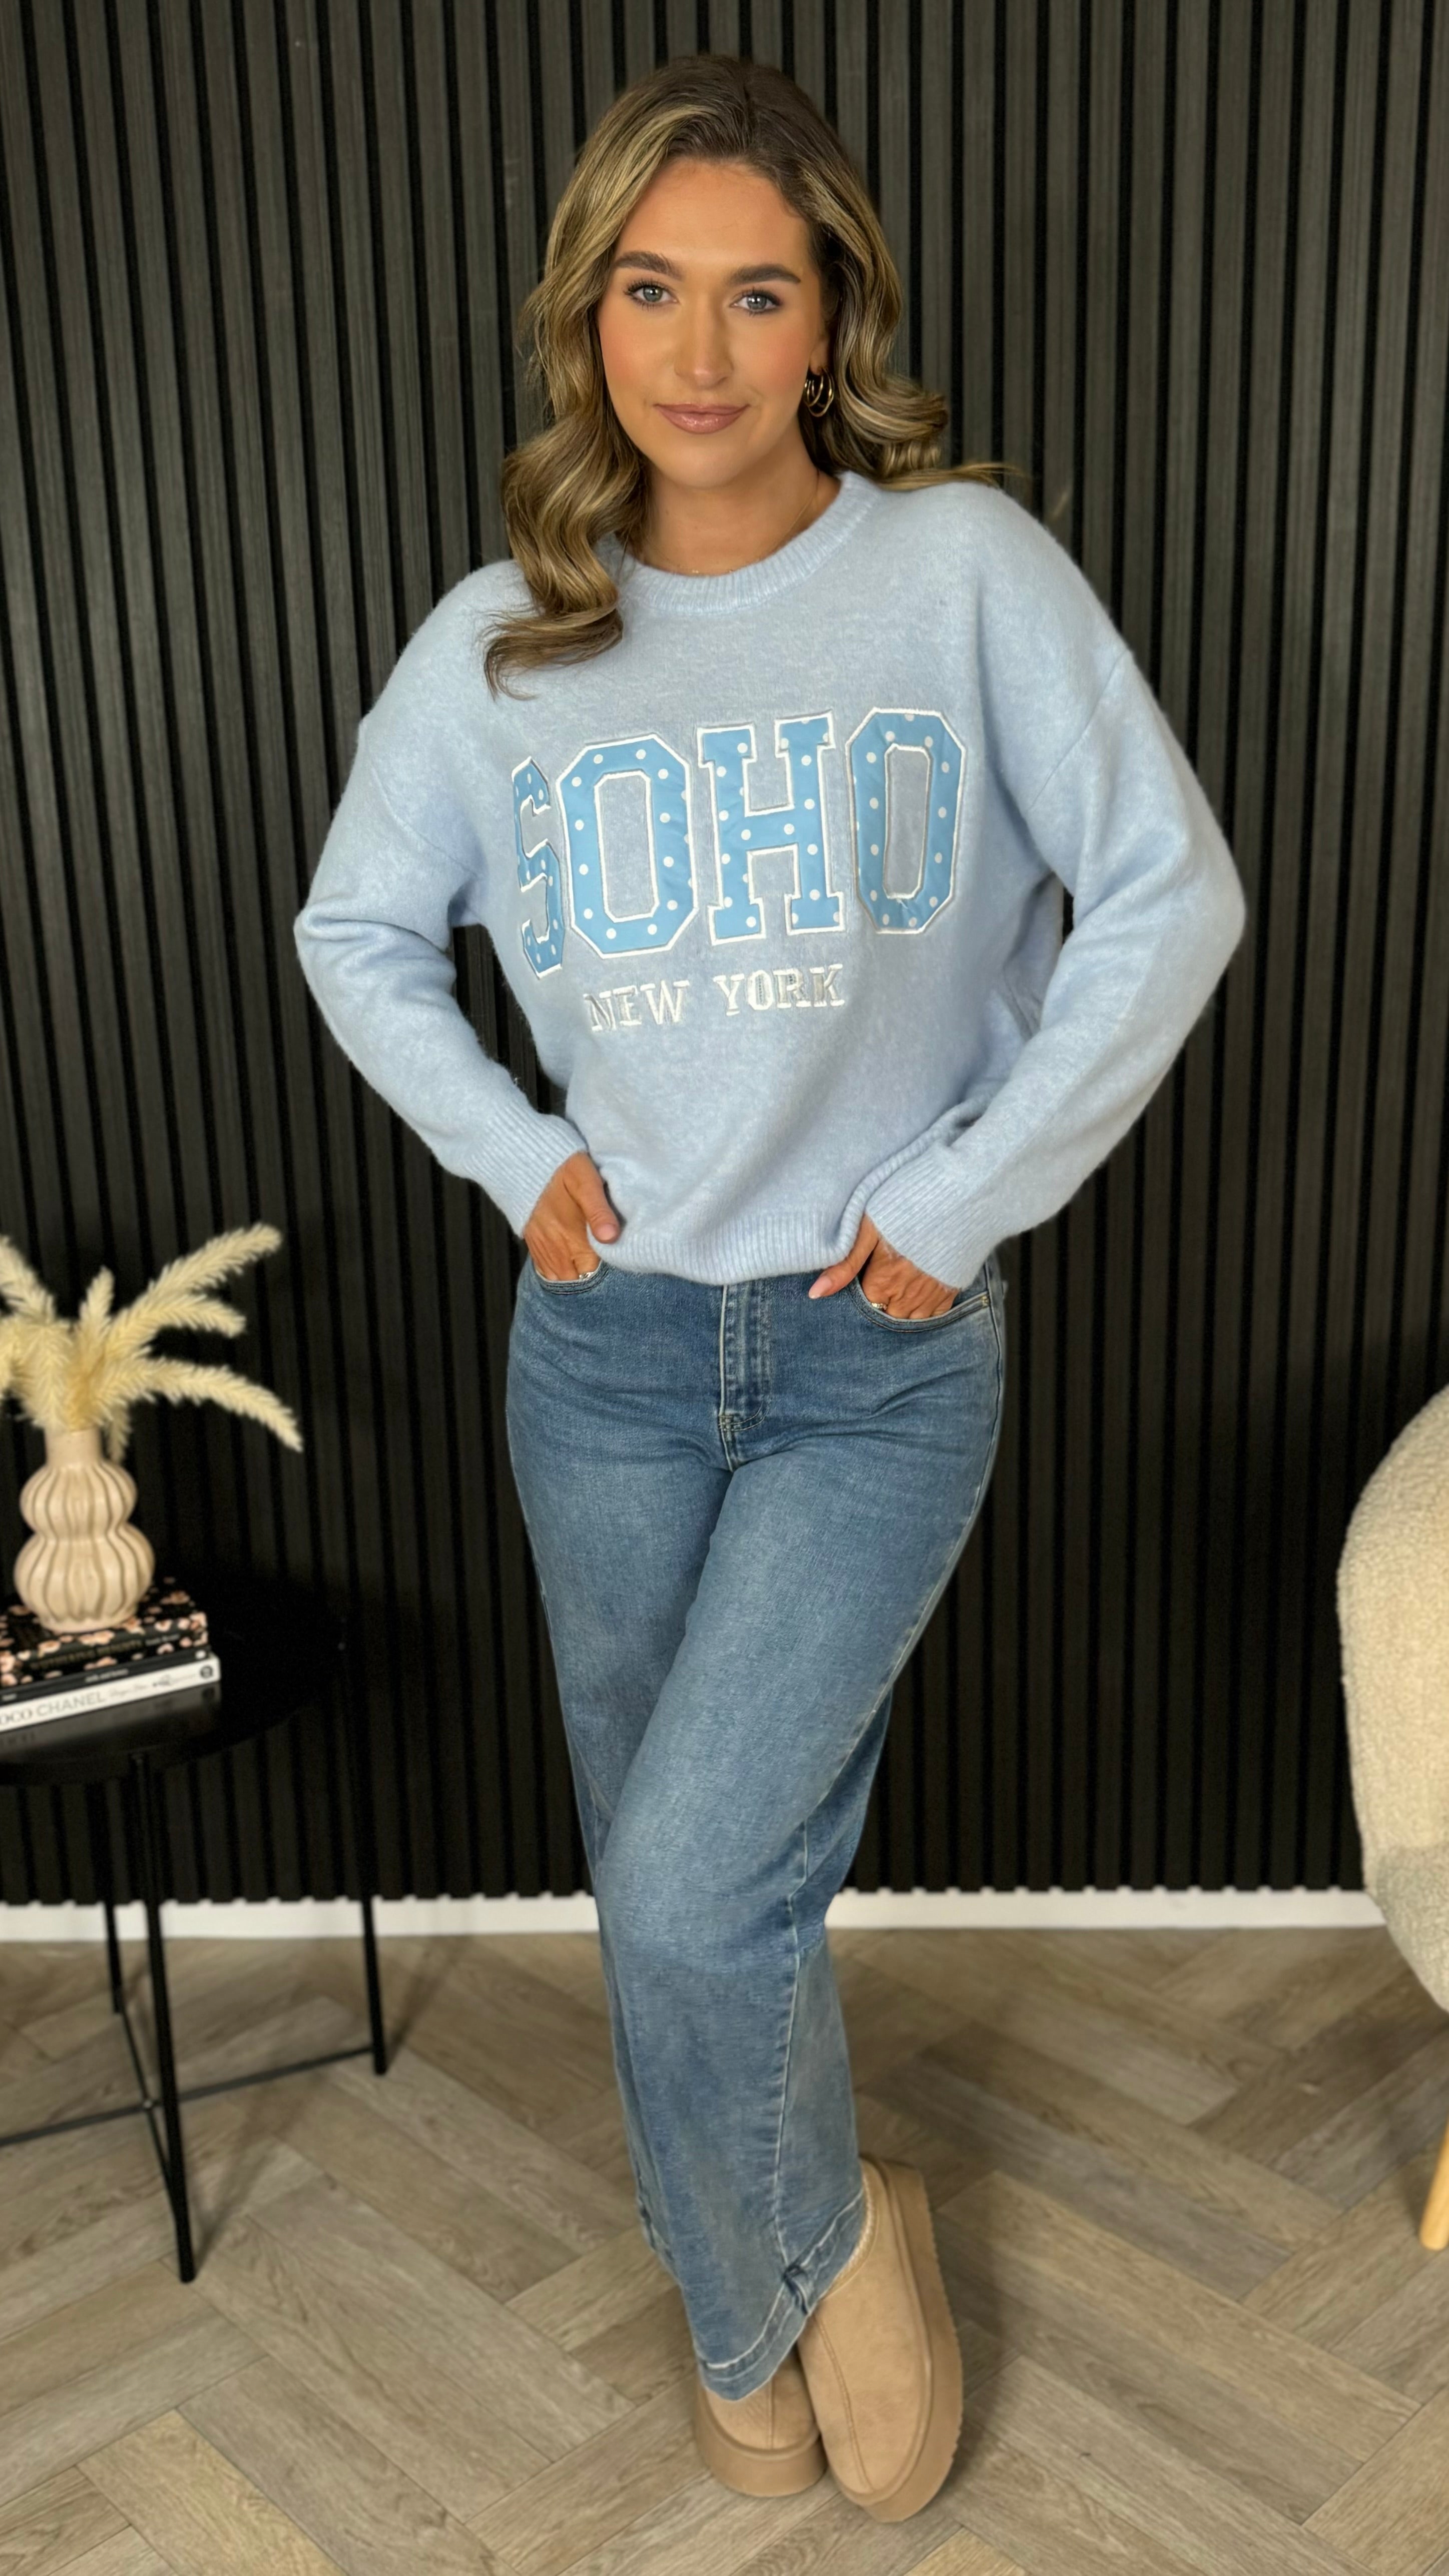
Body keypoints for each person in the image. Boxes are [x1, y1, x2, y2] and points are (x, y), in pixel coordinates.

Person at [292, 52, 1247, 2525]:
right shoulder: (502, 643)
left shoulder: (960, 576)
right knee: (678, 1884)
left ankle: (792, 2270)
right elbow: (355, 929)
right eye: (649, 290)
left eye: (753, 293)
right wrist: (519, 1157)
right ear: (586, 315)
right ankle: (781, 2275)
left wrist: (972, 1196)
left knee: (693, 1878)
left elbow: (1172, 893)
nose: (697, 350)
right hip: (603, 1362)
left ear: (830, 320)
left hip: (874, 1354)